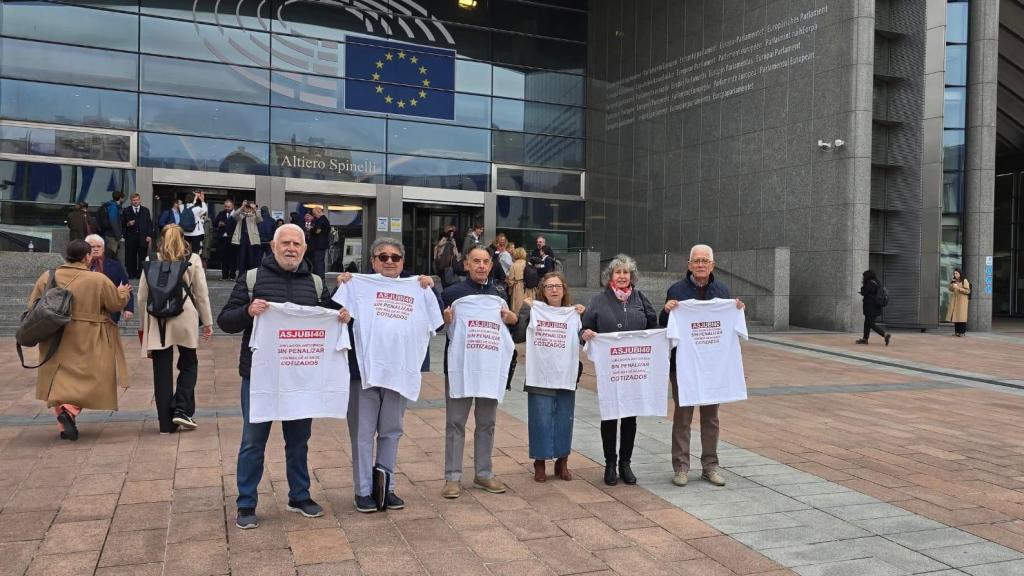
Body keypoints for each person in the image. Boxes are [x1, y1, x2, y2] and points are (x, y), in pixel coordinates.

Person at [218, 224, 345, 530]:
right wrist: (248, 310)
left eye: (296, 244)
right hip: (260, 376)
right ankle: (246, 502)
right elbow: (225, 321)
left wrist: (341, 314)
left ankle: (299, 496)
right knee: (252, 441)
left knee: (299, 440)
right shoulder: (251, 278)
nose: (291, 248)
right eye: (285, 243)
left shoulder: (315, 283)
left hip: (301, 376)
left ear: (304, 248)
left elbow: (328, 315)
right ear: (273, 247)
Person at [337, 238, 440, 513]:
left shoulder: (418, 287)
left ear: (403, 262)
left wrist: (432, 288)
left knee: (392, 431)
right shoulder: (357, 285)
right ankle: (362, 491)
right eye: (383, 257)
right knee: (362, 432)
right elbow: (333, 311)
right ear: (372, 261)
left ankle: (387, 487)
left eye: (395, 257)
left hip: (399, 372)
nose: (389, 261)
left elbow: (435, 320)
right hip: (363, 371)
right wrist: (343, 286)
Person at [27, 239, 132, 441]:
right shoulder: (97, 279)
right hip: (88, 335)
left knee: (59, 380)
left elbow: (33, 305)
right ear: (87, 257)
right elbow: (114, 303)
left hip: (54, 334)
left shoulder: (47, 276)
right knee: (92, 376)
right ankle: (70, 410)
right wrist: (123, 293)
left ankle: (64, 425)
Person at [660, 244, 745, 488]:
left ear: (712, 265)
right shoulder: (676, 290)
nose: (700, 265)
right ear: (689, 265)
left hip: (712, 367)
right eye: (696, 261)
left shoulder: (722, 291)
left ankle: (710, 466)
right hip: (684, 366)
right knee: (682, 418)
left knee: (711, 419)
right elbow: (664, 324)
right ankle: (681, 468)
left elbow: (730, 327)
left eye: (704, 261)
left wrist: (737, 310)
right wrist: (666, 311)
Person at [440, 246, 519, 499]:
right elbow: (438, 325)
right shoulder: (452, 293)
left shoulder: (499, 293)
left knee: (487, 423)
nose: (482, 266)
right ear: (466, 264)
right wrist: (446, 320)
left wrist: (512, 319)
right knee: (455, 423)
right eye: (476, 261)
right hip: (460, 368)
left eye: (486, 261)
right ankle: (452, 478)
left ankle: (483, 473)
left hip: (488, 367)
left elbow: (510, 331)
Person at [580, 254, 658, 486]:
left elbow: (654, 327)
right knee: (610, 415)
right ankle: (610, 464)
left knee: (630, 416)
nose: (622, 276)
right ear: (610, 276)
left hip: (634, 369)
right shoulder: (598, 300)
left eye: (626, 272)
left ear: (631, 276)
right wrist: (585, 334)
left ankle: (626, 463)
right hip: (612, 369)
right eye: (618, 272)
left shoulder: (640, 299)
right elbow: (584, 328)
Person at [137, 225, 213, 434]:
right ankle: (181, 408)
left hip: (158, 318)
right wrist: (207, 322)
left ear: (161, 239)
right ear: (183, 238)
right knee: (189, 362)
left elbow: (142, 296)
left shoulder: (152, 259)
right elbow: (201, 293)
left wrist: (143, 326)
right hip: (185, 314)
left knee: (161, 370)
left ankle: (165, 424)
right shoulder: (193, 259)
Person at [512, 272, 584, 482]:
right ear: (542, 291)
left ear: (564, 289)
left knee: (564, 419)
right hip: (539, 374)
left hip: (565, 374)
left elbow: (584, 338)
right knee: (540, 419)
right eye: (549, 286)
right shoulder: (535, 310)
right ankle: (540, 462)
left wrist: (584, 315)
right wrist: (526, 309)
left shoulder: (573, 314)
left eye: (558, 286)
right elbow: (518, 335)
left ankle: (562, 460)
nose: (554, 290)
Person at [85, 235, 135, 325]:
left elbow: (126, 287)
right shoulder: (82, 265)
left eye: (99, 246)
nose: (96, 249)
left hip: (110, 311)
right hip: (87, 310)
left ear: (103, 249)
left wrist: (128, 308)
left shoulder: (115, 265)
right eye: (92, 247)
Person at [121, 193, 153, 279]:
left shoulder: (146, 210)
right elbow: (122, 224)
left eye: (137, 200)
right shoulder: (126, 210)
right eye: (134, 200)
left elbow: (149, 224)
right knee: (131, 256)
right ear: (131, 201)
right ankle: (131, 274)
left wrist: (149, 235)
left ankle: (140, 274)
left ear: (140, 200)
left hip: (143, 237)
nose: (135, 202)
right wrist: (128, 224)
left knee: (142, 256)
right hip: (131, 238)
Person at [857, 270, 891, 346]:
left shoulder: (870, 283)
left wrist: (863, 285)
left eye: (864, 276)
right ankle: (865, 339)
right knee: (867, 323)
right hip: (876, 306)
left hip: (870, 307)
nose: (863, 278)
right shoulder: (877, 282)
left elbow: (864, 292)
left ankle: (885, 334)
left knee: (870, 323)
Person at [233, 200, 263, 272]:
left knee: (251, 258)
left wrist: (254, 209)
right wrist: (242, 206)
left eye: (249, 207)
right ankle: (241, 275)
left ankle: (250, 275)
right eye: (247, 207)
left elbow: (260, 219)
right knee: (242, 258)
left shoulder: (254, 215)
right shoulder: (241, 215)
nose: (247, 208)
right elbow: (234, 215)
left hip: (251, 239)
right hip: (242, 239)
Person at [98, 191, 125, 263]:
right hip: (111, 235)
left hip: (109, 234)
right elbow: (114, 222)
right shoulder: (113, 207)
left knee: (112, 255)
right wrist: (119, 236)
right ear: (120, 198)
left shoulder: (110, 205)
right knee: (111, 255)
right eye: (123, 198)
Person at [214, 199, 238, 280]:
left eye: (229, 207)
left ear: (233, 206)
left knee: (233, 257)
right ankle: (224, 275)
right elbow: (215, 223)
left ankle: (232, 275)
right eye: (226, 207)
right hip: (223, 239)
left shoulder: (237, 214)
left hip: (232, 238)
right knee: (224, 258)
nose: (227, 208)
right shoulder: (221, 213)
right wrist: (218, 224)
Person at [507, 247, 534, 314]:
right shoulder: (529, 264)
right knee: (529, 306)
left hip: (518, 287)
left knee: (518, 307)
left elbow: (510, 281)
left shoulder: (514, 265)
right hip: (529, 288)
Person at [183, 191, 208, 259]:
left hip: (185, 233)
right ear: (194, 199)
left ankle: (185, 266)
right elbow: (205, 210)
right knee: (195, 252)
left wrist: (195, 197)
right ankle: (194, 266)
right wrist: (202, 200)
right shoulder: (197, 209)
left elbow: (190, 206)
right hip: (196, 233)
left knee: (185, 251)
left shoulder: (182, 207)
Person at [308, 206, 331, 281]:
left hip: (318, 245)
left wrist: (311, 229)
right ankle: (320, 279)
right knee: (320, 263)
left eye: (314, 214)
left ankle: (319, 280)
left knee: (318, 264)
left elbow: (318, 231)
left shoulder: (321, 219)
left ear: (318, 212)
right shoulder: (325, 220)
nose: (314, 216)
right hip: (321, 245)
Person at [947, 267, 971, 336]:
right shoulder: (954, 281)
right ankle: (956, 332)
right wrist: (952, 283)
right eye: (954, 273)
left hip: (962, 301)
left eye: (956, 273)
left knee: (961, 317)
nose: (955, 274)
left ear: (960, 273)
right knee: (956, 317)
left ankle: (962, 332)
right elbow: (950, 289)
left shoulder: (964, 280)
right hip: (955, 301)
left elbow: (968, 291)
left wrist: (959, 288)